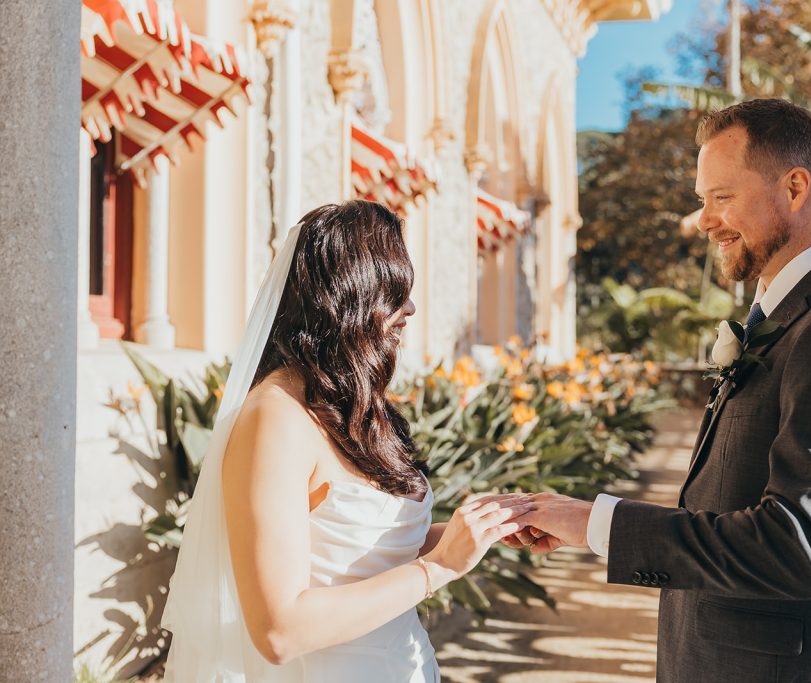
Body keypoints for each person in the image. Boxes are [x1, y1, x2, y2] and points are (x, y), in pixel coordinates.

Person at [510, 98, 811, 682]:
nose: (704, 220)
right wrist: (578, 517)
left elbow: (799, 547)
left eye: (721, 197)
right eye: (703, 201)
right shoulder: (784, 319)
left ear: (796, 188)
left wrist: (601, 524)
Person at [160, 201, 533, 681]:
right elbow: (280, 631)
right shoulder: (275, 419)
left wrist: (481, 532)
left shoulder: (347, 405)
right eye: (396, 291)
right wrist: (440, 569)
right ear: (348, 296)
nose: (411, 308)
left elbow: (366, 554)